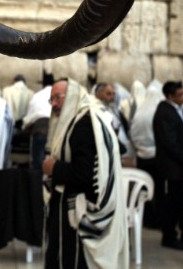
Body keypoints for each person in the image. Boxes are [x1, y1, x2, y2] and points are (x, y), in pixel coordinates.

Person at [42, 79, 128, 269]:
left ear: (72, 97)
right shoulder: (78, 119)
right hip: (69, 210)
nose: (54, 104)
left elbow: (85, 174)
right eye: (51, 100)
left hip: (78, 214)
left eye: (58, 98)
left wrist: (53, 169)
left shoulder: (84, 124)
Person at [152, 80, 183, 250]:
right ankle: (169, 237)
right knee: (172, 204)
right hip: (172, 168)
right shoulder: (165, 113)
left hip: (181, 166)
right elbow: (170, 143)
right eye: (181, 94)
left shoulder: (177, 109)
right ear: (170, 97)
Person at [94, 82, 132, 156]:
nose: (112, 97)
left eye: (113, 94)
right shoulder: (96, 111)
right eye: (108, 94)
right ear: (98, 94)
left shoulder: (114, 109)